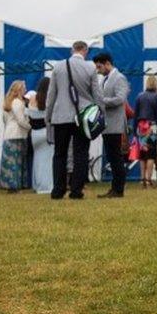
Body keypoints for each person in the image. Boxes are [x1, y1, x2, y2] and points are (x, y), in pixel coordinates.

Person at [45, 41, 105, 200]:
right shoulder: (91, 67)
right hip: (83, 116)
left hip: (61, 116)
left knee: (59, 154)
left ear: (72, 50)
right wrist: (101, 113)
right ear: (85, 51)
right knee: (81, 154)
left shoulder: (58, 66)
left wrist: (48, 116)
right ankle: (76, 190)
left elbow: (51, 95)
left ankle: (58, 189)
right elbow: (97, 94)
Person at [91, 52, 130, 197]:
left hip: (115, 124)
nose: (98, 69)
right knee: (112, 158)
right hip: (107, 124)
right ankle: (115, 188)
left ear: (107, 63)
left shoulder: (119, 78)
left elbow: (120, 99)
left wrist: (101, 101)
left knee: (116, 158)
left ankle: (118, 189)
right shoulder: (104, 79)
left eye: (99, 66)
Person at [133, 75, 157, 188]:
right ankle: (148, 180)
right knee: (151, 155)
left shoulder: (139, 97)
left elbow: (135, 114)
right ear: (156, 85)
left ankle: (142, 179)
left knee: (142, 155)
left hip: (140, 127)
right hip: (152, 128)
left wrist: (134, 131)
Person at [0, 80, 31, 192]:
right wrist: (30, 126)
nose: (25, 90)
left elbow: (4, 120)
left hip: (9, 134)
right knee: (16, 161)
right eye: (24, 88)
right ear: (18, 90)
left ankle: (10, 185)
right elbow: (21, 120)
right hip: (17, 134)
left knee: (10, 161)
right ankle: (15, 186)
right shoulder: (17, 102)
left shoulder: (8, 102)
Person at [28, 78, 53, 194]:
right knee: (47, 161)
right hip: (46, 132)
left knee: (37, 160)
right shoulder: (50, 99)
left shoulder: (33, 99)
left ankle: (37, 184)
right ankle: (47, 185)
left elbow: (28, 115)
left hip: (34, 134)